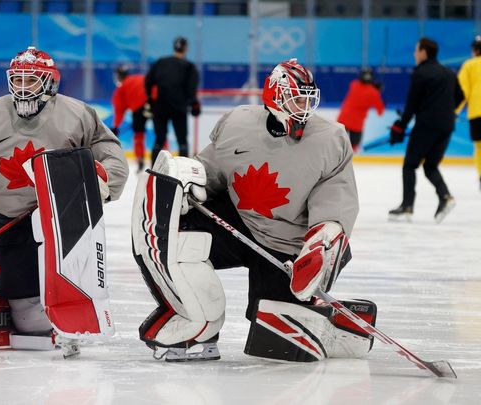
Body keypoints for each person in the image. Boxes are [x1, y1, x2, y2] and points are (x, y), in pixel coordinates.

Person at [132, 59, 376, 363]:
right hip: (241, 224)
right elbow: (213, 169)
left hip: (289, 246)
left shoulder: (330, 140)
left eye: (307, 98)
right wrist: (191, 175)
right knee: (177, 235)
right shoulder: (237, 123)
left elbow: (335, 203)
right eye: (296, 97)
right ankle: (199, 327)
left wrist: (320, 246)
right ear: (275, 96)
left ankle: (330, 321)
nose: (304, 106)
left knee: (277, 341)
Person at [0, 46, 128, 351]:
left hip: (66, 224)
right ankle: (42, 318)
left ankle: (70, 313)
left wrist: (104, 183)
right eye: (18, 80)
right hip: (11, 221)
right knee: (24, 314)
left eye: (31, 80)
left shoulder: (77, 113)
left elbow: (109, 152)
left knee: (72, 288)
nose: (22, 88)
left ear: (50, 82)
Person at [388, 38, 464, 223]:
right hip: (446, 125)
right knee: (430, 166)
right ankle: (445, 197)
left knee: (410, 165)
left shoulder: (420, 73)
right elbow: (460, 96)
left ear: (424, 52)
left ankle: (407, 206)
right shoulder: (448, 73)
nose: (414, 54)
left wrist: (400, 126)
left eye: (416, 50)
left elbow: (412, 104)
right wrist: (447, 111)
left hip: (426, 125)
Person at [144, 36, 200, 164]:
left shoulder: (161, 62)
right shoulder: (189, 67)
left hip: (160, 106)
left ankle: (154, 169)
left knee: (159, 138)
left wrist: (149, 98)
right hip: (179, 107)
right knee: (182, 140)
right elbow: (191, 88)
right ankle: (184, 168)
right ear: (186, 49)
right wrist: (194, 103)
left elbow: (148, 81)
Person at [337, 68, 385, 152]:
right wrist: (378, 91)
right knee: (353, 149)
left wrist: (374, 88)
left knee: (337, 145)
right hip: (356, 124)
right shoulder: (374, 92)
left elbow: (361, 86)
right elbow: (380, 111)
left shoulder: (354, 84)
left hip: (343, 119)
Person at [111, 64, 148, 173]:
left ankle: (140, 159)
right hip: (154, 105)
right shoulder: (141, 78)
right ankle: (165, 154)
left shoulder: (121, 88)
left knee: (138, 136)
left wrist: (116, 126)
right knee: (161, 133)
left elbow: (119, 110)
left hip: (138, 111)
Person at [455, 35, 481, 190]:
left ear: (475, 50)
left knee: (479, 147)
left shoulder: (469, 65)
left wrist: (453, 111)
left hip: (477, 113)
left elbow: (462, 91)